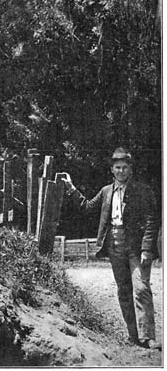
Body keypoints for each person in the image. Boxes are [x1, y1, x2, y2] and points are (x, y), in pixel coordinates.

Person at [64, 148, 161, 350]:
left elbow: (152, 221)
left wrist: (146, 249)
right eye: (117, 167)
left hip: (136, 247)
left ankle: (148, 337)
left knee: (141, 288)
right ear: (112, 170)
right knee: (123, 291)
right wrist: (72, 189)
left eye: (125, 167)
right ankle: (133, 335)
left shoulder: (142, 191)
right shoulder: (106, 191)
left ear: (130, 170)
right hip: (114, 245)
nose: (121, 171)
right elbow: (87, 207)